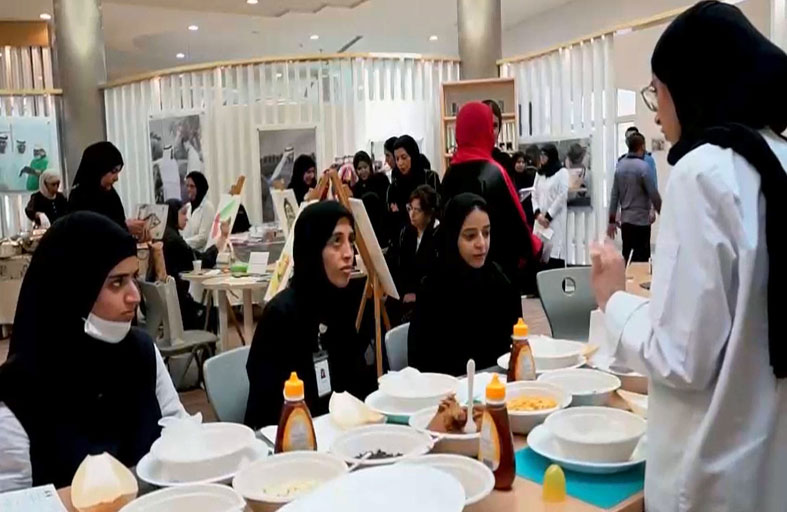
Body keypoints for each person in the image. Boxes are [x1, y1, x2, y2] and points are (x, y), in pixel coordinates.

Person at [590, 3, 787, 510]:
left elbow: (681, 359)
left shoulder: (704, 173)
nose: (656, 109)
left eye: (657, 88)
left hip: (707, 476)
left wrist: (613, 299)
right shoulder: (779, 159)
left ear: (690, 85)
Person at [0, 212, 186, 491]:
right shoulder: (18, 396)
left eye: (134, 278)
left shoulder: (141, 352)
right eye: (117, 283)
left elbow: (179, 432)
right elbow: (12, 503)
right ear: (73, 289)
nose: (135, 296)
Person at [244, 201, 376, 429]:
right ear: (312, 249)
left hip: (342, 433)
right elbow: (269, 410)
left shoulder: (340, 304)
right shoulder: (280, 317)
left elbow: (357, 384)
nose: (349, 253)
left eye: (351, 240)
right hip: (293, 439)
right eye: (336, 241)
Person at [408, 194, 520, 376]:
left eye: (486, 233)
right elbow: (421, 362)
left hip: (498, 387)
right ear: (452, 237)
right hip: (447, 389)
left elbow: (515, 351)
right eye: (470, 236)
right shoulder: (434, 289)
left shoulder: (501, 283)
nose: (481, 244)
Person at [441, 102, 541, 290]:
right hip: (496, 274)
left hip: (458, 275)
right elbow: (515, 223)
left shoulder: (449, 174)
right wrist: (531, 248)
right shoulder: (494, 172)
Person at [161, 199, 230, 329]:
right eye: (183, 213)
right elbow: (199, 261)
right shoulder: (173, 240)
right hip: (177, 306)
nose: (187, 218)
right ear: (172, 214)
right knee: (213, 315)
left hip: (167, 303)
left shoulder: (164, 235)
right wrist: (221, 239)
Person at [68, 142, 146, 238]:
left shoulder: (110, 195)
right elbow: (87, 235)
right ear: (98, 169)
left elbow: (116, 223)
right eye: (113, 171)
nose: (116, 178)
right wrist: (124, 228)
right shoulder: (79, 199)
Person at [608, 132, 662, 262]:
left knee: (628, 258)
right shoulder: (644, 167)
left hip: (626, 222)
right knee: (642, 260)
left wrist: (611, 221)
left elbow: (614, 195)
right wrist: (664, 214)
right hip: (641, 222)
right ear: (642, 146)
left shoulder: (620, 167)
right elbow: (653, 194)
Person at [389, 185, 439, 321]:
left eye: (417, 210)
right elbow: (401, 266)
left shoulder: (438, 235)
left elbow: (436, 277)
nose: (412, 214)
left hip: (427, 299)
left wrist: (418, 295)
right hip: (405, 292)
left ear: (429, 212)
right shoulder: (407, 232)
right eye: (410, 208)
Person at [387, 135, 441, 234]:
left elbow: (436, 211)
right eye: (397, 159)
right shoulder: (394, 187)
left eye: (404, 157)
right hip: (403, 238)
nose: (400, 163)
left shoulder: (429, 178)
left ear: (413, 155)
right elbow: (393, 221)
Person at [532, 144, 569, 269]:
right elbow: (534, 194)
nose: (542, 158)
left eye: (545, 155)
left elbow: (562, 196)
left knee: (554, 255)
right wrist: (538, 214)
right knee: (539, 255)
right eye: (541, 155)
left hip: (554, 222)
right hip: (539, 222)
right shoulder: (539, 173)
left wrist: (548, 216)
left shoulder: (562, 173)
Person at [182, 171, 215, 251]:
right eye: (187, 186)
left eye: (192, 186)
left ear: (200, 188)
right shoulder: (187, 207)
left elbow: (203, 238)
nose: (188, 189)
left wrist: (182, 243)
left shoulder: (208, 207)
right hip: (186, 251)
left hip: (201, 254)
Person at [483, 99, 514, 175]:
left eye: (494, 126)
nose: (490, 131)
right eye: (486, 124)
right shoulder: (465, 162)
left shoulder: (505, 161)